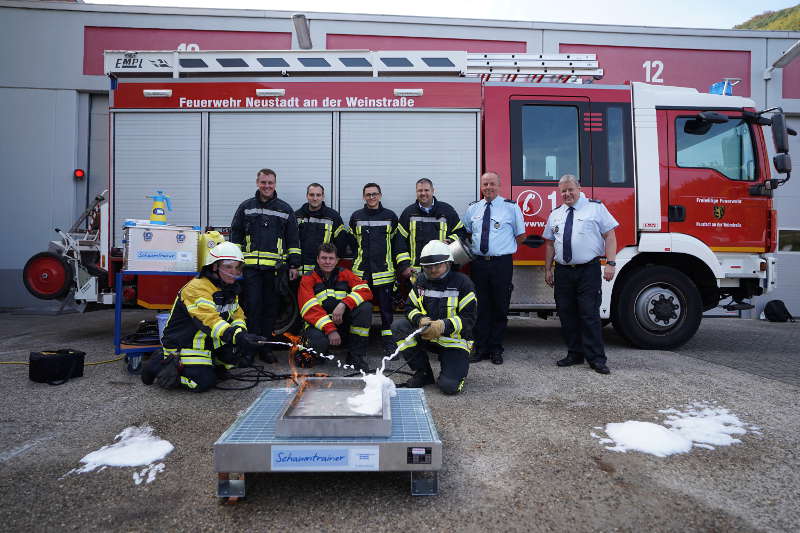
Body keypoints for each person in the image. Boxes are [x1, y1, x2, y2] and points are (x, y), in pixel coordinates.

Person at [141, 241, 268, 392]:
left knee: (235, 358)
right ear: (214, 267)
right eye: (228, 266)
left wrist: (241, 334)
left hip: (205, 341)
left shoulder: (229, 289)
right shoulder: (197, 288)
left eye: (237, 267)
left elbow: (238, 315)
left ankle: (210, 364)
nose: (234, 272)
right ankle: (160, 364)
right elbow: (209, 321)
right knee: (203, 382)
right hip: (184, 344)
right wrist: (236, 337)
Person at [543, 174, 618, 375]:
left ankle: (596, 359)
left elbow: (610, 235)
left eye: (570, 190)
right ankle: (574, 354)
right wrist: (548, 269)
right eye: (563, 191)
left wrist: (610, 263)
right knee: (567, 314)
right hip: (563, 272)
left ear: (579, 188)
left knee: (589, 314)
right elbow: (550, 243)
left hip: (588, 270)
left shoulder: (595, 208)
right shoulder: (556, 213)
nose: (567, 194)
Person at [230, 168, 301, 363]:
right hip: (251, 269)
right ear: (257, 183)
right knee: (252, 308)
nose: (267, 186)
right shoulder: (246, 207)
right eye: (263, 182)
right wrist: (235, 262)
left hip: (275, 270)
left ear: (275, 184)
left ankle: (266, 348)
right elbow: (235, 235)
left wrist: (294, 265)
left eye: (270, 183)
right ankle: (251, 348)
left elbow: (293, 240)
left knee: (271, 309)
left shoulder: (284, 209)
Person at [391, 240, 477, 394]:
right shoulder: (421, 281)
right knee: (399, 327)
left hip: (454, 341)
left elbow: (469, 318)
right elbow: (410, 307)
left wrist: (443, 325)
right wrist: (420, 320)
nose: (432, 270)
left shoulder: (463, 283)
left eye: (437, 265)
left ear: (448, 263)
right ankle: (423, 372)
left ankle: (456, 374)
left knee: (448, 387)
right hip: (428, 336)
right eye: (428, 267)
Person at [462, 171, 525, 365]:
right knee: (481, 307)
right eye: (485, 184)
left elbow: (520, 235)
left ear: (499, 185)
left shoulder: (510, 207)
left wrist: (503, 249)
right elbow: (467, 231)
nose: (488, 187)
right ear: (481, 187)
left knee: (500, 306)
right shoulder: (474, 209)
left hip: (501, 264)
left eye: (492, 184)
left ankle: (496, 349)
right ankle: (481, 348)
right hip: (479, 264)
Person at [349, 183, 411, 355]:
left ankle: (389, 344)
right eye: (368, 194)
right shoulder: (356, 217)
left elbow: (396, 243)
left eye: (374, 194)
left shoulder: (390, 216)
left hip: (384, 273)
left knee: (386, 312)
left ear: (380, 196)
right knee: (361, 310)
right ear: (363, 197)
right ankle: (359, 346)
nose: (371, 197)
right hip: (361, 274)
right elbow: (354, 243)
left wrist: (401, 266)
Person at [297, 243, 373, 371]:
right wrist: (331, 330)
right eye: (324, 258)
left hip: (342, 322)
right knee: (317, 345)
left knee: (365, 308)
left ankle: (355, 356)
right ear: (317, 259)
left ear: (337, 260)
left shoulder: (345, 273)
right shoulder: (308, 278)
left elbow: (365, 290)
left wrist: (344, 304)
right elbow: (310, 309)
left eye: (331, 258)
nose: (327, 262)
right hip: (319, 326)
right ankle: (319, 352)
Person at [398, 178, 468, 269]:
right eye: (420, 190)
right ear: (416, 192)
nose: (423, 193)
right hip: (416, 271)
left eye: (426, 190)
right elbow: (399, 242)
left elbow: (461, 232)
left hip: (442, 269)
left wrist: (449, 240)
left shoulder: (447, 211)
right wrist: (405, 266)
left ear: (433, 191)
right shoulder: (408, 213)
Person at [295, 183, 353, 275]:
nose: (315, 198)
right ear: (307, 196)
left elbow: (341, 241)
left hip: (324, 272)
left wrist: (334, 261)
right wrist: (293, 265)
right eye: (311, 195)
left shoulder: (333, 217)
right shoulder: (297, 216)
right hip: (300, 271)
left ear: (323, 197)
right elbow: (291, 241)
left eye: (318, 195)